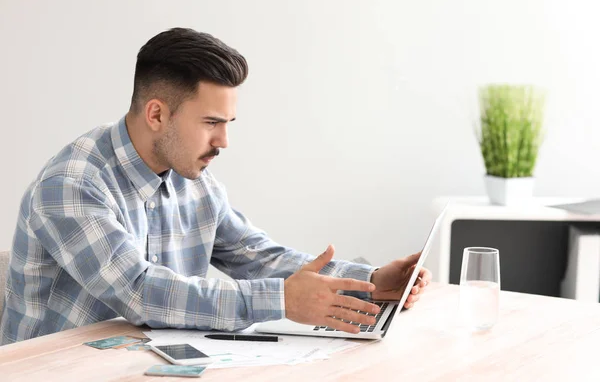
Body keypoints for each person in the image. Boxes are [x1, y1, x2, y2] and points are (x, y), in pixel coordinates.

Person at [0, 27, 431, 345]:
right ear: (156, 115)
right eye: (211, 123)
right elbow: (138, 292)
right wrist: (281, 300)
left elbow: (257, 256)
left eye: (228, 124)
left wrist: (371, 280)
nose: (223, 141)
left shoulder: (193, 179)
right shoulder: (72, 184)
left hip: (148, 363)